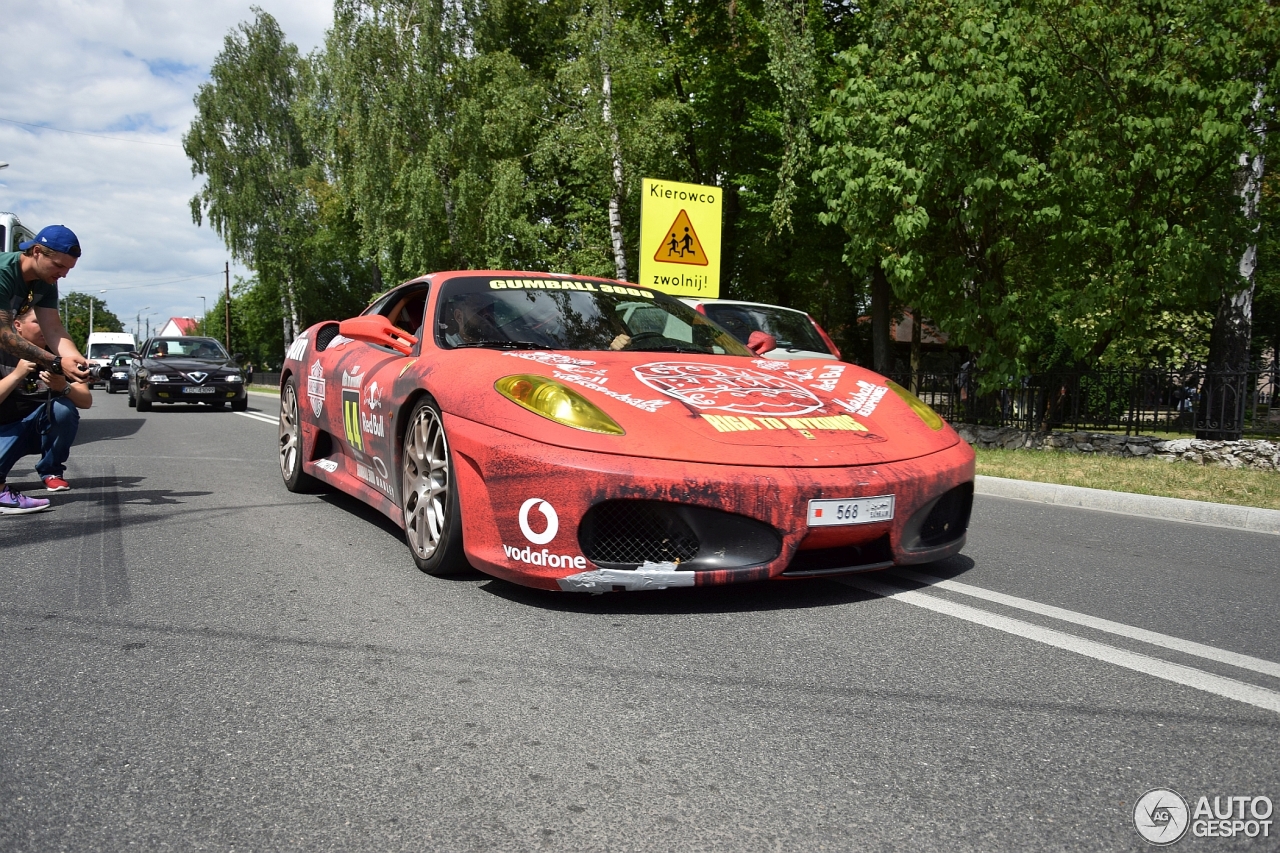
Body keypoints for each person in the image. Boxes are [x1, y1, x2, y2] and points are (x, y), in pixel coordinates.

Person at [0, 308, 92, 510]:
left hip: (41, 427)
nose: (45, 328)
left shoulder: (62, 355)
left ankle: (51, 471)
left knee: (64, 408)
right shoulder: (3, 352)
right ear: (17, 326)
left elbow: (86, 401)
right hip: (7, 428)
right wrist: (17, 374)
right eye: (37, 322)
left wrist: (63, 387)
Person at [0, 225, 91, 385]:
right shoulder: (3, 273)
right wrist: (56, 362)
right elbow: (4, 337)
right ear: (36, 252)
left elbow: (54, 330)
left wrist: (78, 364)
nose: (63, 274)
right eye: (59, 265)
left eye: (69, 269)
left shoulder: (46, 281)